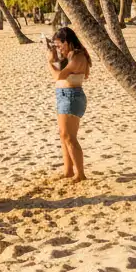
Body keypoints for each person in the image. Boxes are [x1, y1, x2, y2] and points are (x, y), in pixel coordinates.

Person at [47, 26, 91, 182]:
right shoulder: (72, 55)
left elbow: (59, 76)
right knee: (63, 136)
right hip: (65, 96)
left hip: (71, 96)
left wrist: (49, 62)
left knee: (69, 136)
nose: (59, 48)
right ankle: (68, 171)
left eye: (59, 45)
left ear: (67, 42)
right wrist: (56, 58)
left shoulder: (78, 57)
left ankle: (80, 174)